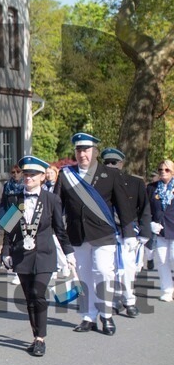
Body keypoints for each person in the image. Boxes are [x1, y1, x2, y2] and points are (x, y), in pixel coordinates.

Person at [1, 156, 76, 356]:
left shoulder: (52, 200)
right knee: (29, 297)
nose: (28, 178)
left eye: (33, 174)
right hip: (22, 255)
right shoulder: (15, 199)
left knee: (38, 293)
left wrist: (69, 253)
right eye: (26, 174)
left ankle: (41, 338)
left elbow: (60, 230)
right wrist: (5, 252)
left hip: (44, 254)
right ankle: (35, 335)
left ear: (42, 177)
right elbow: (8, 230)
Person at [54, 132, 126, 335]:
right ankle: (89, 316)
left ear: (95, 151)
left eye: (86, 150)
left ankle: (106, 314)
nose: (82, 154)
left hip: (103, 233)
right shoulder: (66, 175)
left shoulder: (110, 174)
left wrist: (130, 232)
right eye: (78, 150)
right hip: (77, 234)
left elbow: (122, 206)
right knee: (84, 275)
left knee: (103, 271)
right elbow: (57, 206)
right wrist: (58, 233)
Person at [102, 147, 151, 317]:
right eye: (107, 163)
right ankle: (113, 300)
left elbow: (144, 208)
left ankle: (129, 300)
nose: (111, 165)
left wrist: (144, 233)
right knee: (108, 268)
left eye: (114, 162)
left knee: (127, 267)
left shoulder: (135, 182)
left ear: (121, 164)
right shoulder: (98, 184)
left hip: (128, 231)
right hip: (106, 232)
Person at [147, 159, 174, 302]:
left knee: (173, 258)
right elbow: (146, 208)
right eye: (161, 170)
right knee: (162, 260)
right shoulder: (152, 188)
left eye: (167, 170)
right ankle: (167, 290)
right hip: (160, 229)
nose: (163, 172)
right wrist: (150, 223)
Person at [0, 164, 25, 285]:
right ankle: (13, 268)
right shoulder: (7, 186)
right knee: (9, 243)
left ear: (22, 173)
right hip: (10, 215)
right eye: (13, 172)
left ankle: (19, 271)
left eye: (18, 172)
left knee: (20, 244)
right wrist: (1, 219)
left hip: (22, 216)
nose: (15, 174)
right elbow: (3, 203)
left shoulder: (26, 186)